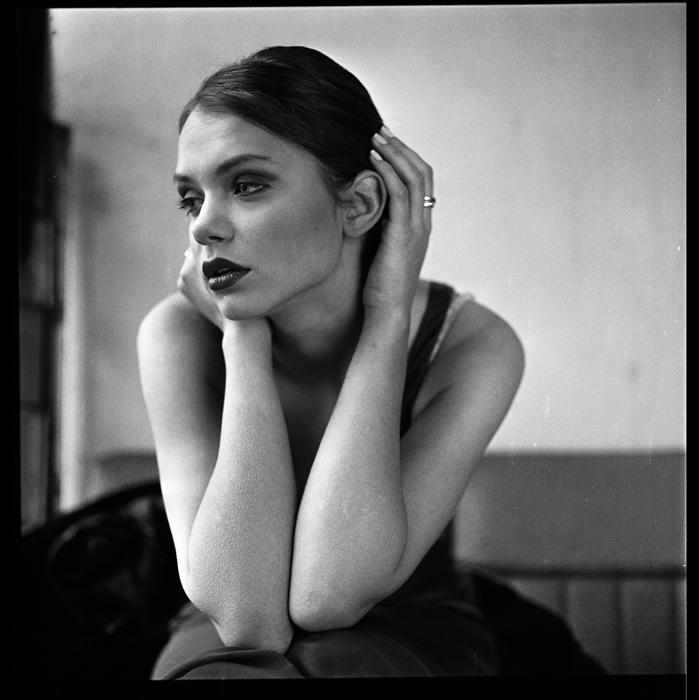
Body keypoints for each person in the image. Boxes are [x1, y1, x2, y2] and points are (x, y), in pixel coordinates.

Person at [137, 45, 527, 679]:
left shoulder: (472, 345)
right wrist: (243, 340)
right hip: (220, 624)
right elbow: (245, 620)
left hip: (410, 629)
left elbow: (328, 598)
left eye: (247, 185)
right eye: (191, 198)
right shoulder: (178, 333)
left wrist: (388, 313)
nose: (204, 227)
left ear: (359, 205)